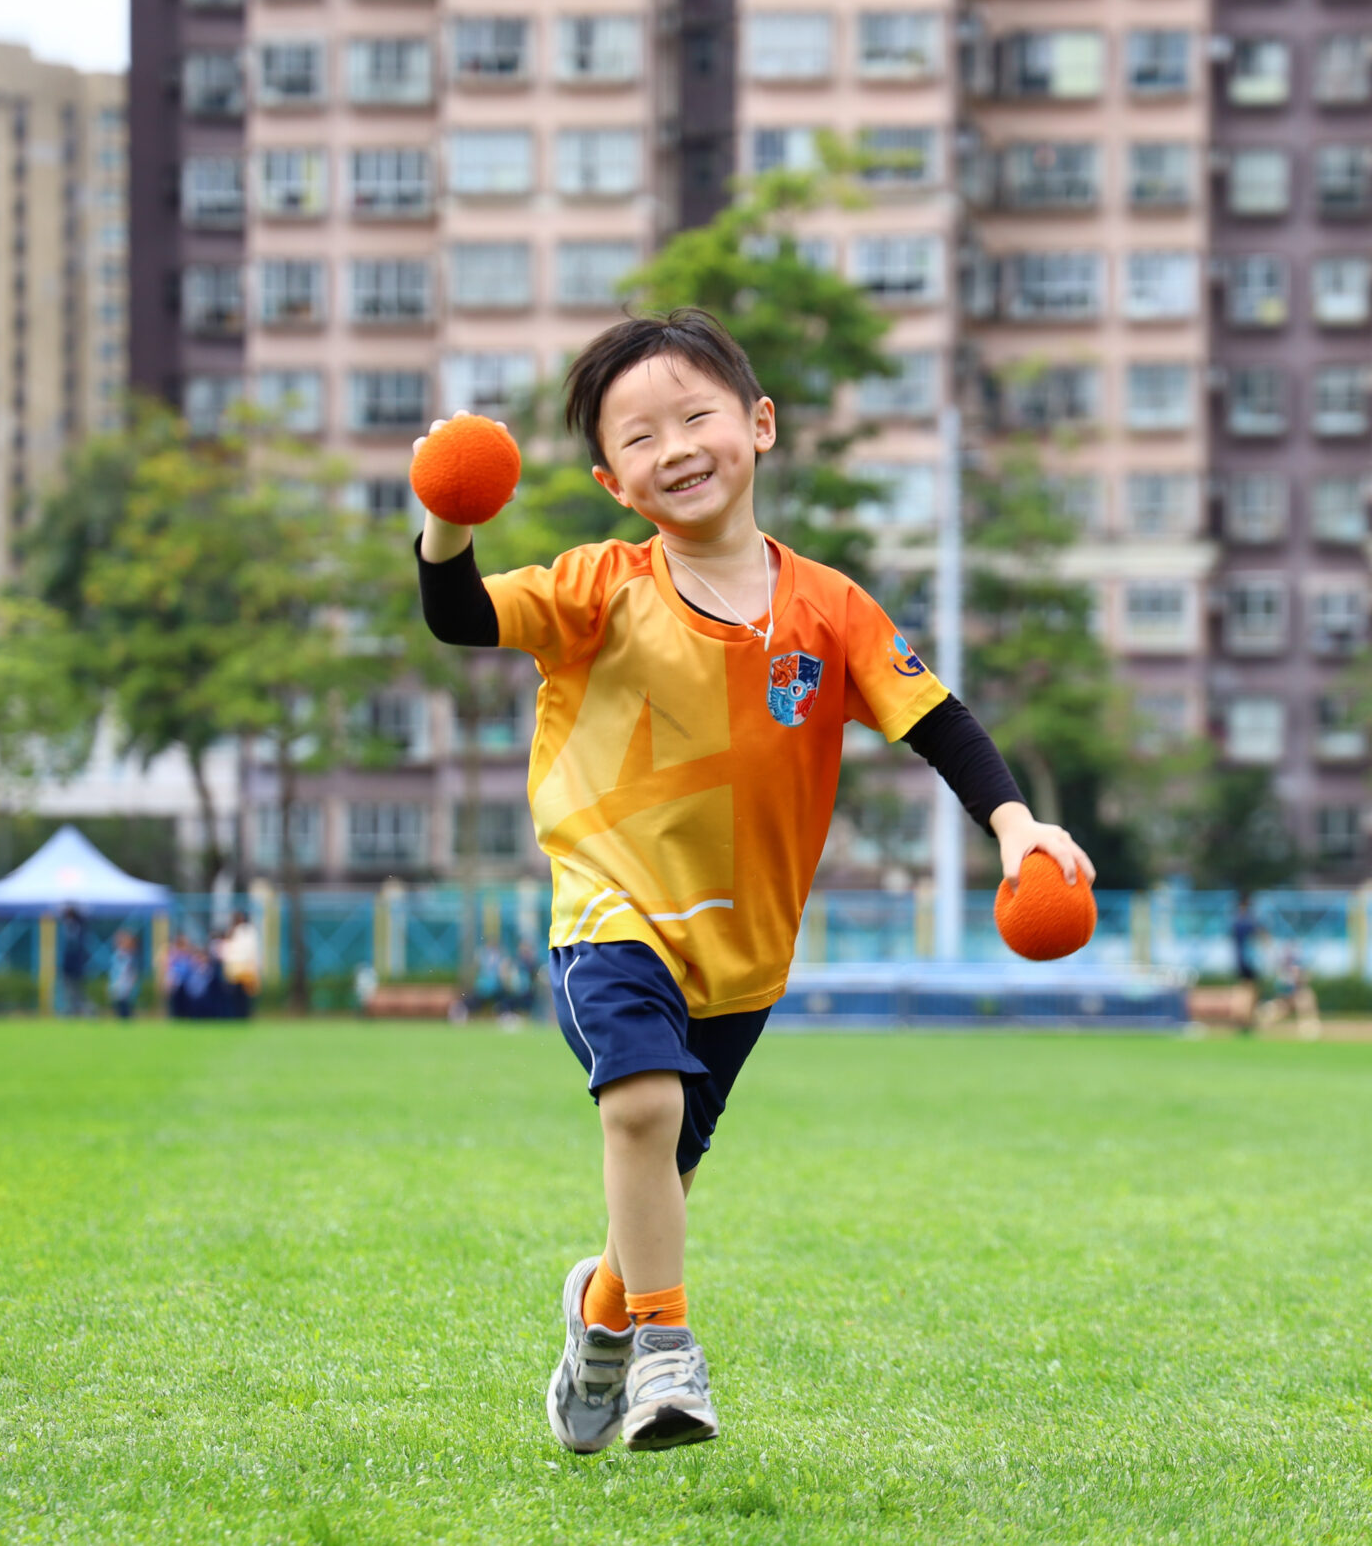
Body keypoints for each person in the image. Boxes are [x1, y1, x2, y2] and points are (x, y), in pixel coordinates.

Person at [414, 307, 1091, 1455]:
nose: (673, 446)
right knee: (638, 1102)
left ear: (758, 425)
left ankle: (603, 1316)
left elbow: (936, 723)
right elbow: (461, 615)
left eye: (694, 416)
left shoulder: (828, 607)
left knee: (661, 1173)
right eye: (639, 437)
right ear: (612, 479)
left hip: (745, 957)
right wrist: (444, 521)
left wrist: (1016, 826)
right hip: (609, 910)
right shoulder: (597, 586)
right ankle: (667, 1360)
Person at [1228, 893, 1261, 1031]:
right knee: (1251, 990)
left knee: (1242, 988)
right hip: (1249, 961)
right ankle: (1246, 1019)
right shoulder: (1249, 921)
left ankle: (1239, 1017)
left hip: (1239, 960)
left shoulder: (1235, 921)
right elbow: (1260, 936)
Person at [217, 914, 261, 1020]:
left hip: (241, 967)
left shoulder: (245, 932)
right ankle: (240, 1015)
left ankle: (240, 1015)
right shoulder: (239, 932)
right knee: (239, 995)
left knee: (240, 995)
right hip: (239, 967)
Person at [58, 906, 91, 1017]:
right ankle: (71, 1010)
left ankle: (82, 1010)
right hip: (69, 964)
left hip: (77, 964)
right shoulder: (64, 925)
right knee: (69, 990)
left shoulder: (79, 925)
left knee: (77, 991)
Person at [107, 931, 142, 1021]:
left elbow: (133, 972)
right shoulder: (117, 955)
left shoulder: (129, 957)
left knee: (126, 1005)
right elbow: (113, 971)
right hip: (117, 982)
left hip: (126, 983)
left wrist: (132, 982)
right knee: (118, 1005)